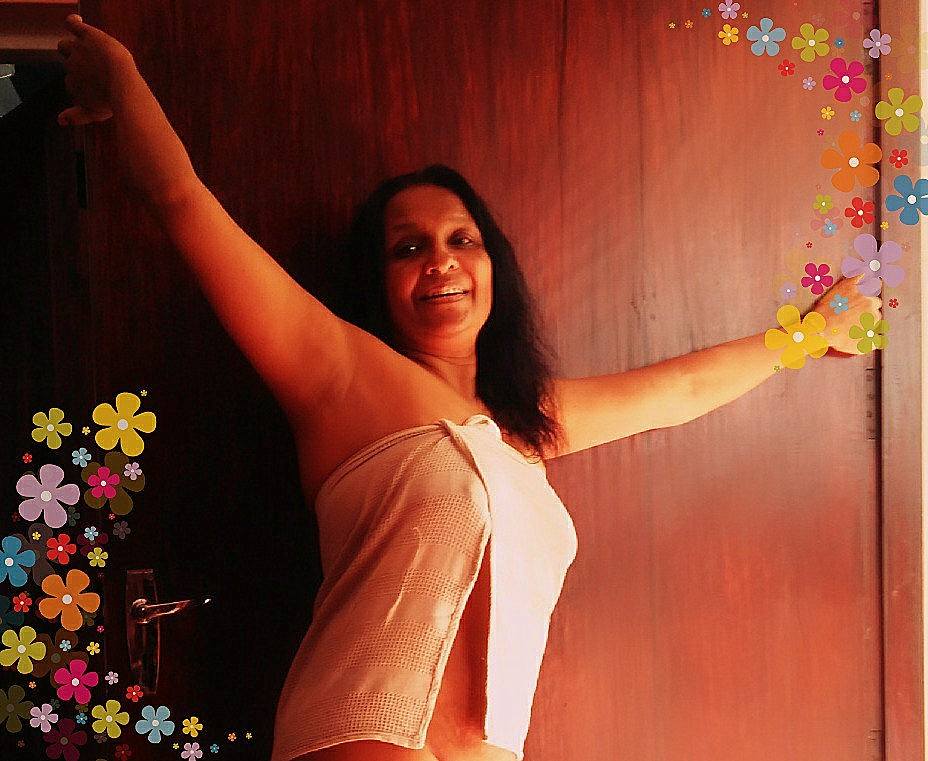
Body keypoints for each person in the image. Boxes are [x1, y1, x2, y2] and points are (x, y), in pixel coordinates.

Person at [54, 13, 881, 761]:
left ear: (493, 267)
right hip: (363, 734)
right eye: (408, 247)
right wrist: (122, 83)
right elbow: (182, 199)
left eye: (462, 239)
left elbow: (682, 390)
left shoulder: (527, 426)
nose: (441, 261)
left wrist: (813, 334)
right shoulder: (340, 373)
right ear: (378, 283)